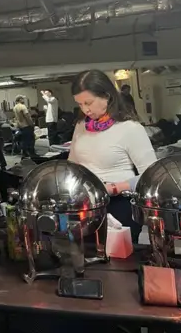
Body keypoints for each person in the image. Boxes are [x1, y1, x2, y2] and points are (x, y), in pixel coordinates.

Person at [69, 70, 156, 241]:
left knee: (118, 261)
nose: (85, 109)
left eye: (89, 102)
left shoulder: (130, 128)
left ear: (107, 96)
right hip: (87, 205)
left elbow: (152, 175)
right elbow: (72, 165)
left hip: (119, 205)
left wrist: (112, 188)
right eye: (79, 104)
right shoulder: (81, 126)